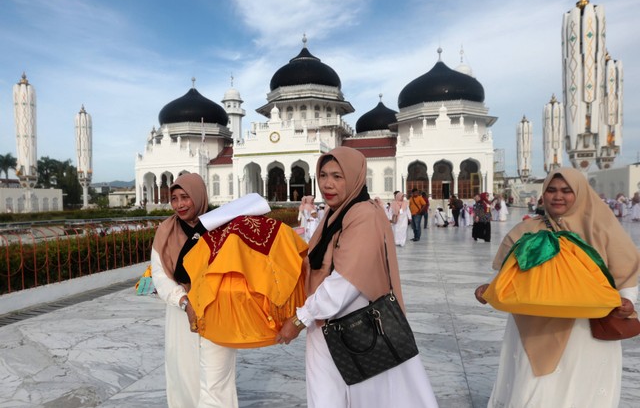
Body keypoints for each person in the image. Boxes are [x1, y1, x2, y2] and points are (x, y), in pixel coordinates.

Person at [276, 146, 438, 408]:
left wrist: (299, 319)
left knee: (366, 398)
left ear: (354, 177)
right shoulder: (335, 212)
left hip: (359, 328)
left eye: (338, 177)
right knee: (326, 397)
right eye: (324, 175)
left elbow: (346, 282)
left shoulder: (362, 214)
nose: (328, 184)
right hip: (326, 325)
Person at [474, 167, 639, 407]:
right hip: (533, 325)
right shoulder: (527, 230)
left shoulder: (601, 228)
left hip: (584, 328)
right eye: (551, 190)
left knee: (579, 388)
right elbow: (509, 275)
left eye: (566, 190)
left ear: (580, 193)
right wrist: (489, 290)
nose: (557, 196)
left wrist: (627, 299)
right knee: (533, 388)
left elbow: (625, 273)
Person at [151, 173, 238, 408]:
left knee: (217, 379)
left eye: (186, 197)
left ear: (199, 196)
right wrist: (184, 301)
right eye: (174, 198)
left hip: (217, 310)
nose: (179, 204)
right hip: (182, 314)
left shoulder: (221, 225)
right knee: (184, 376)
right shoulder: (166, 232)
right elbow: (160, 275)